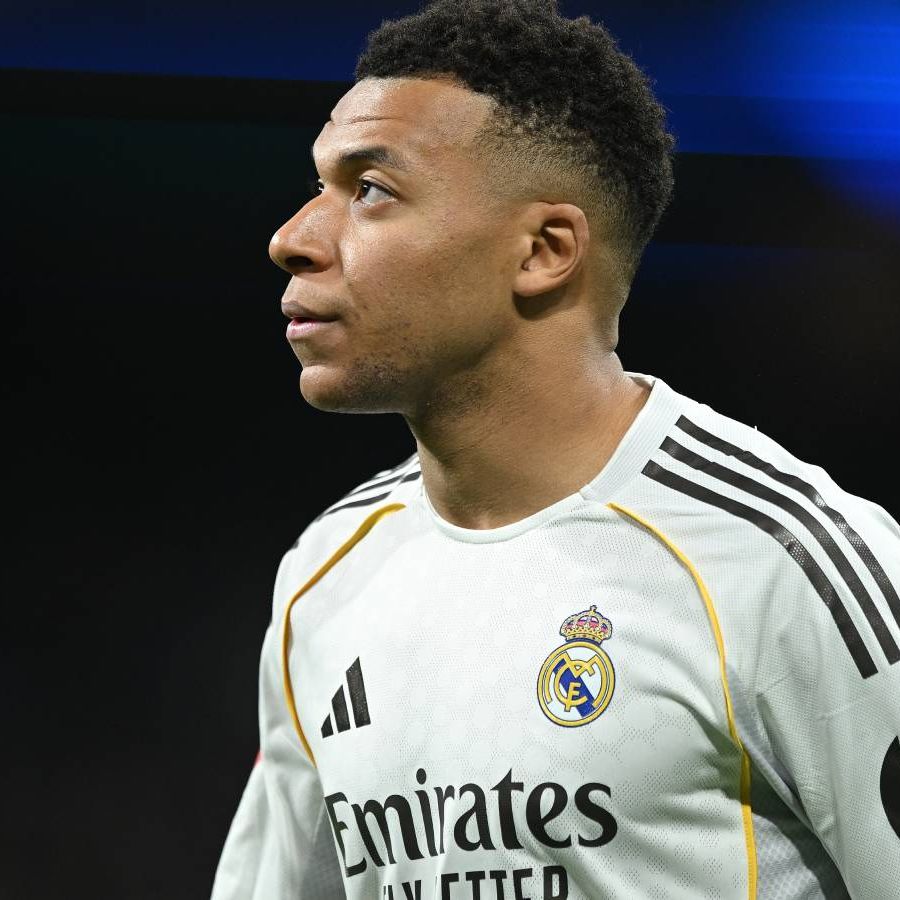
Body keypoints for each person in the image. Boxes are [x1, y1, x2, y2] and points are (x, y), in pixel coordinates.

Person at [211, 0, 900, 897]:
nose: (293, 239)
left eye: (370, 189)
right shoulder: (324, 576)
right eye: (319, 187)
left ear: (543, 250)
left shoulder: (790, 561)